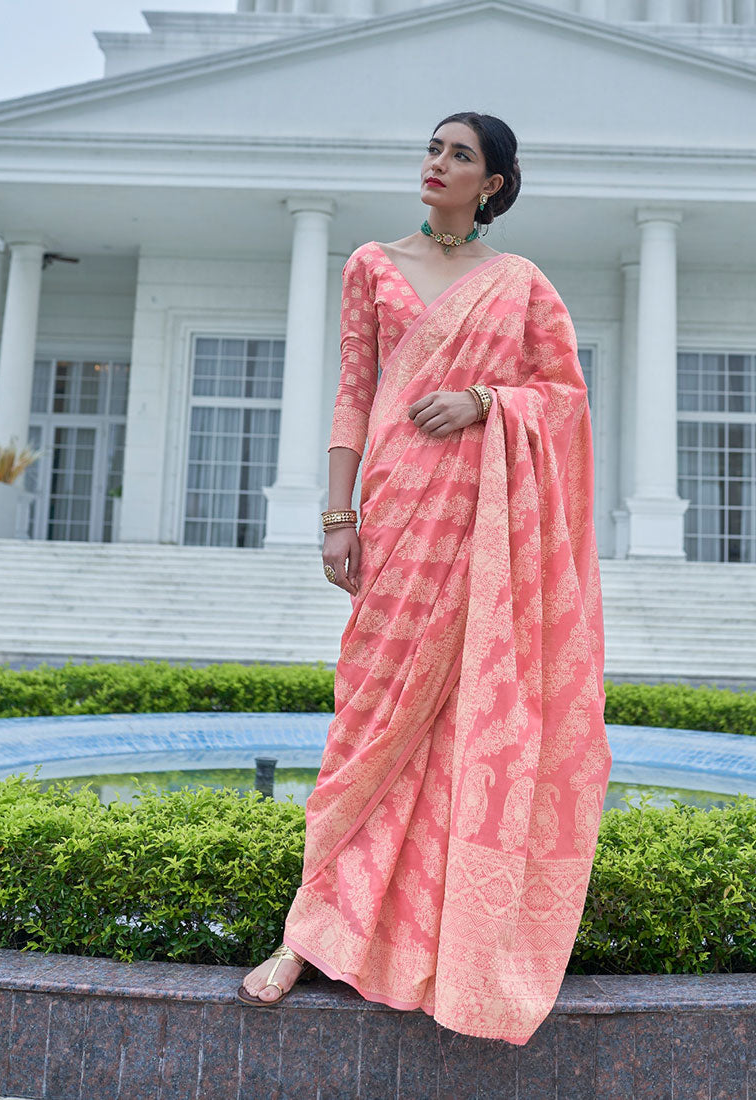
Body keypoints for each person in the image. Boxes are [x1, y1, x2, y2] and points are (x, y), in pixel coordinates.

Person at [237, 110, 612, 1046]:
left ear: (492, 182)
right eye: (433, 149)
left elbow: (563, 398)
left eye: (459, 155)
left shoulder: (520, 286)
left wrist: (486, 400)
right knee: (367, 720)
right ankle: (308, 930)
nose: (436, 164)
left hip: (481, 529)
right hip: (400, 515)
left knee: (459, 730)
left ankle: (435, 939)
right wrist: (336, 515)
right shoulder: (372, 263)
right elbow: (353, 392)